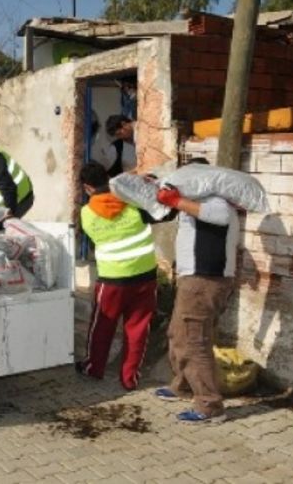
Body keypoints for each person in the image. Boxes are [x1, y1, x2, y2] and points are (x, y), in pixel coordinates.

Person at [153, 157, 240, 423]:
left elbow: (220, 216)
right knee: (178, 333)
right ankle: (184, 385)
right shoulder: (197, 202)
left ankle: (210, 405)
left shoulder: (216, 200)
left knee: (195, 341)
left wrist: (176, 202)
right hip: (194, 280)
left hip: (205, 281)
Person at [75, 162, 158, 391]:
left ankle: (94, 368)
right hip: (145, 276)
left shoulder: (86, 213)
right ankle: (130, 378)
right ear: (108, 178)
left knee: (102, 326)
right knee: (138, 328)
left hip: (113, 279)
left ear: (87, 188)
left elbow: (91, 238)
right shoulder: (133, 203)